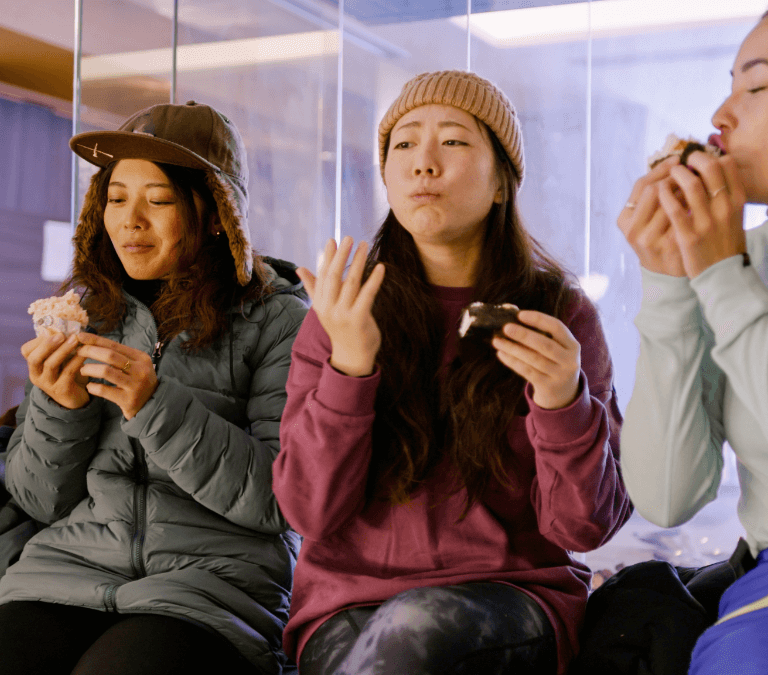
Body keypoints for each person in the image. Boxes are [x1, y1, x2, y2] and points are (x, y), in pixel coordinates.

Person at [273, 70, 631, 675]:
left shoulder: (559, 314)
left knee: (412, 629)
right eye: (405, 145)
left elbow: (584, 525)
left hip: (512, 596)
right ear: (387, 175)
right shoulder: (345, 313)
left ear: (501, 184)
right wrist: (351, 366)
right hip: (348, 604)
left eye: (456, 142)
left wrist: (561, 400)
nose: (424, 164)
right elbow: (308, 515)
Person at [0, 101, 308, 675]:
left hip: (210, 592)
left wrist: (153, 403)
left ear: (217, 214)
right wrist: (60, 408)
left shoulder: (278, 320)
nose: (130, 220)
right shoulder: (86, 313)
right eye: (116, 198)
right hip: (65, 574)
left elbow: (281, 501)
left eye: (159, 200)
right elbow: (39, 500)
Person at [618, 10, 768, 674]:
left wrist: (720, 278)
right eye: (729, 84)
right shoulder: (741, 260)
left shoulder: (733, 269)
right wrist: (672, 286)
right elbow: (669, 494)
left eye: (757, 88)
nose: (720, 112)